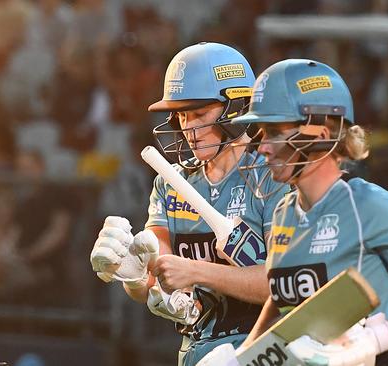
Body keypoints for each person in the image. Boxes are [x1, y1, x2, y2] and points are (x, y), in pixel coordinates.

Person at [200, 59, 388, 365]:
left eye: (274, 131)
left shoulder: (370, 205)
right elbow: (281, 300)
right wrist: (246, 356)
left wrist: (382, 337)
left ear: (320, 134)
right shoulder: (285, 210)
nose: (262, 147)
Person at [89, 42, 289, 366]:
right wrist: (132, 274)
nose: (188, 128)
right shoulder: (170, 182)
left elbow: (283, 285)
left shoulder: (275, 176)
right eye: (181, 114)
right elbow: (157, 275)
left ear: (235, 107)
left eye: (199, 113)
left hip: (265, 351)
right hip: (195, 351)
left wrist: (197, 271)